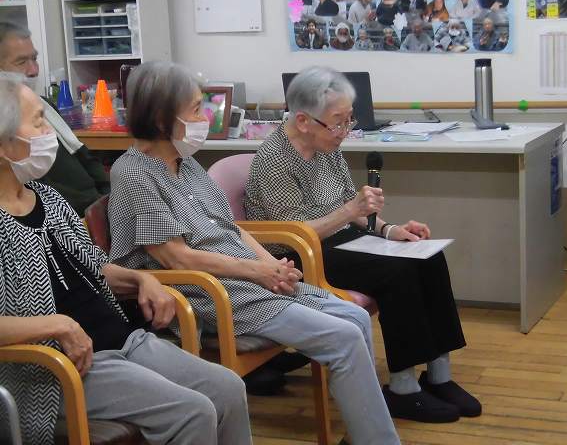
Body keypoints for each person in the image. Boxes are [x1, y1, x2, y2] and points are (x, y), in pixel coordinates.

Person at [107, 61, 401, 445]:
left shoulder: (188, 164)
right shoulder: (133, 173)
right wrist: (256, 272)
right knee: (342, 336)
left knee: (354, 318)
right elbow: (176, 258)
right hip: (210, 292)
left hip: (246, 279)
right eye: (196, 109)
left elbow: (232, 229)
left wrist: (271, 264)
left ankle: (362, 428)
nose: (205, 117)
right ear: (163, 118)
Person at [0, 77, 252, 445]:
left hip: (121, 340)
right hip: (59, 369)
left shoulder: (47, 198)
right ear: (4, 143)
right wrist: (58, 325)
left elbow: (92, 267)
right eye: (38, 121)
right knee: (193, 411)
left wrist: (141, 281)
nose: (49, 132)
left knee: (228, 387)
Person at [245, 66, 482, 424]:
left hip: (337, 237)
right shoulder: (273, 160)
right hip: (297, 254)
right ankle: (402, 389)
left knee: (426, 256)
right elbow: (293, 234)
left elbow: (349, 204)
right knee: (397, 271)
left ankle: (439, 375)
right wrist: (351, 210)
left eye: (348, 121)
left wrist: (390, 231)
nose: (344, 132)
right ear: (303, 120)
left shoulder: (325, 144)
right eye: (337, 122)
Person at [0, 21, 109, 216]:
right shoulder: (8, 124)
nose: (33, 70)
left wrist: (108, 196)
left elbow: (83, 155)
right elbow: (39, 186)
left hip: (94, 208)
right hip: (68, 214)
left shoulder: (44, 105)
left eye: (35, 59)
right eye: (21, 62)